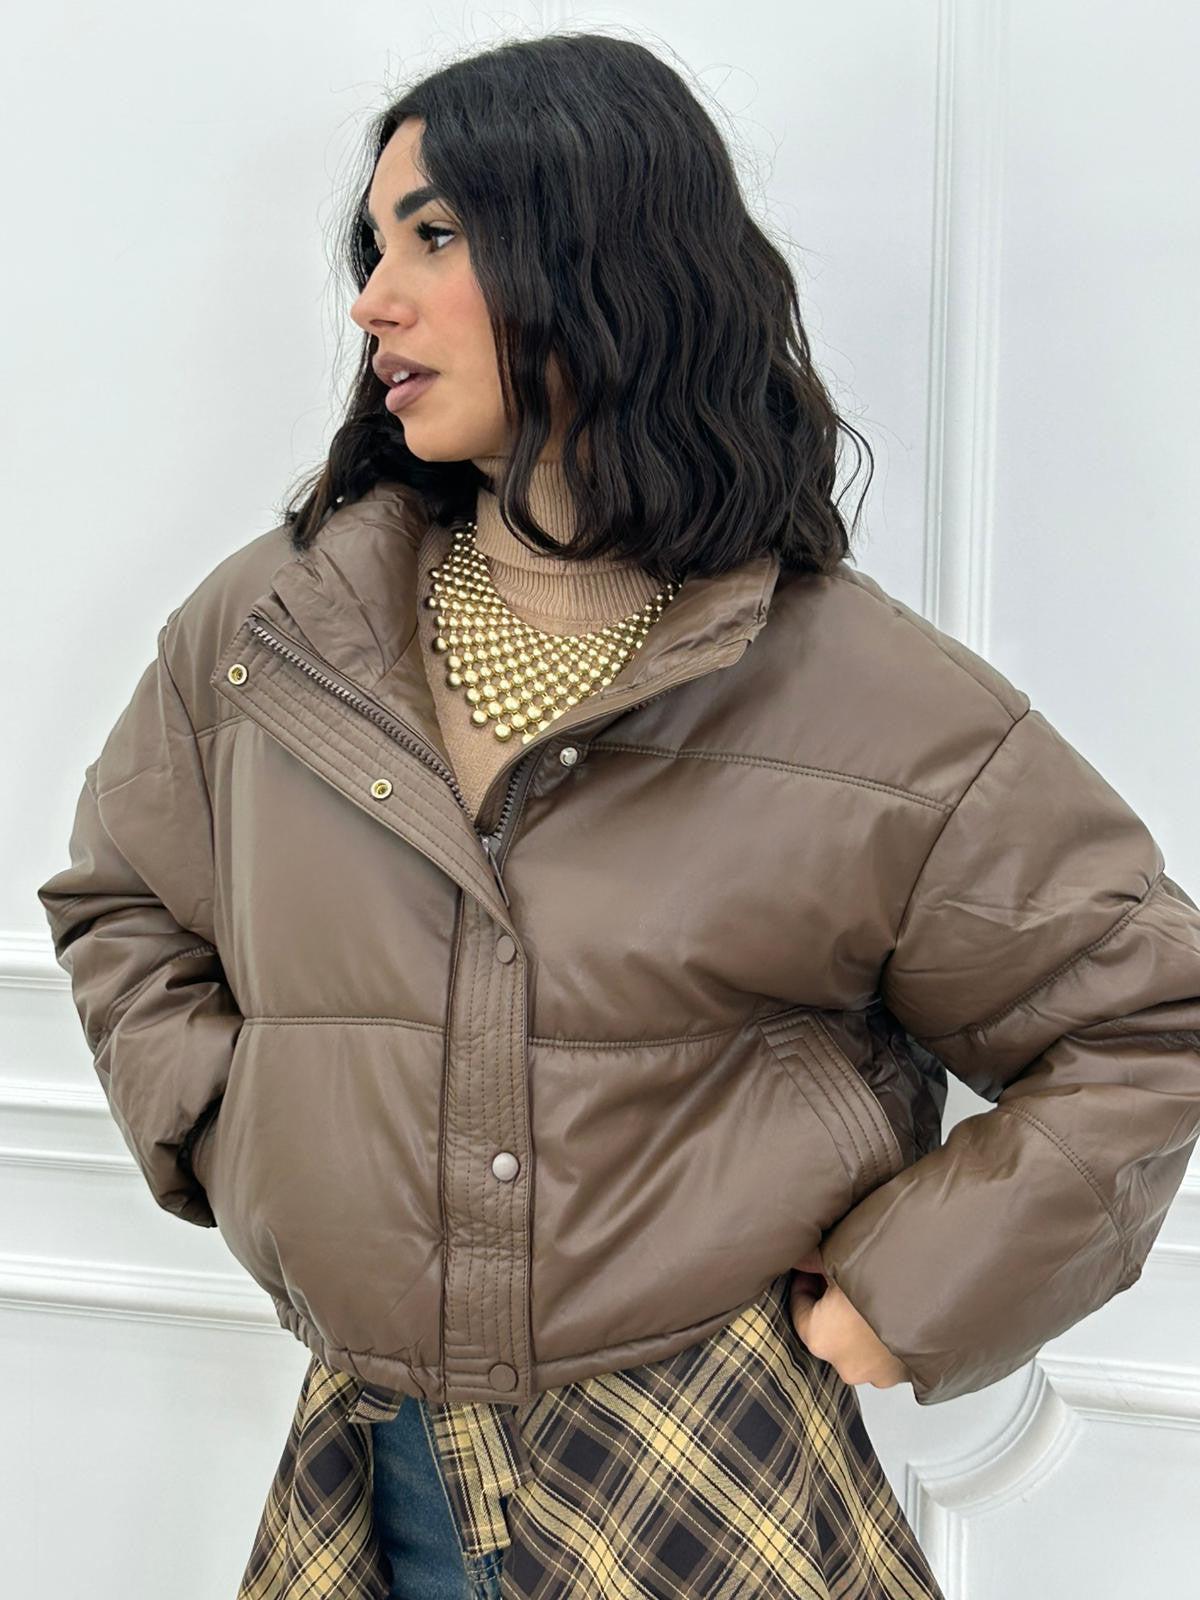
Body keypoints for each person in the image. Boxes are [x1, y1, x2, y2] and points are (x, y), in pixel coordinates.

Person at [36, 31, 1200, 1600]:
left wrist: (911, 1291)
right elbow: (124, 901)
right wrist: (245, 1133)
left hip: (707, 1462)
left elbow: (1146, 1021)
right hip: (371, 1462)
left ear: (602, 257)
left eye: (435, 238)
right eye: (372, 249)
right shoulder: (272, 629)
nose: (373, 300)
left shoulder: (868, 698)